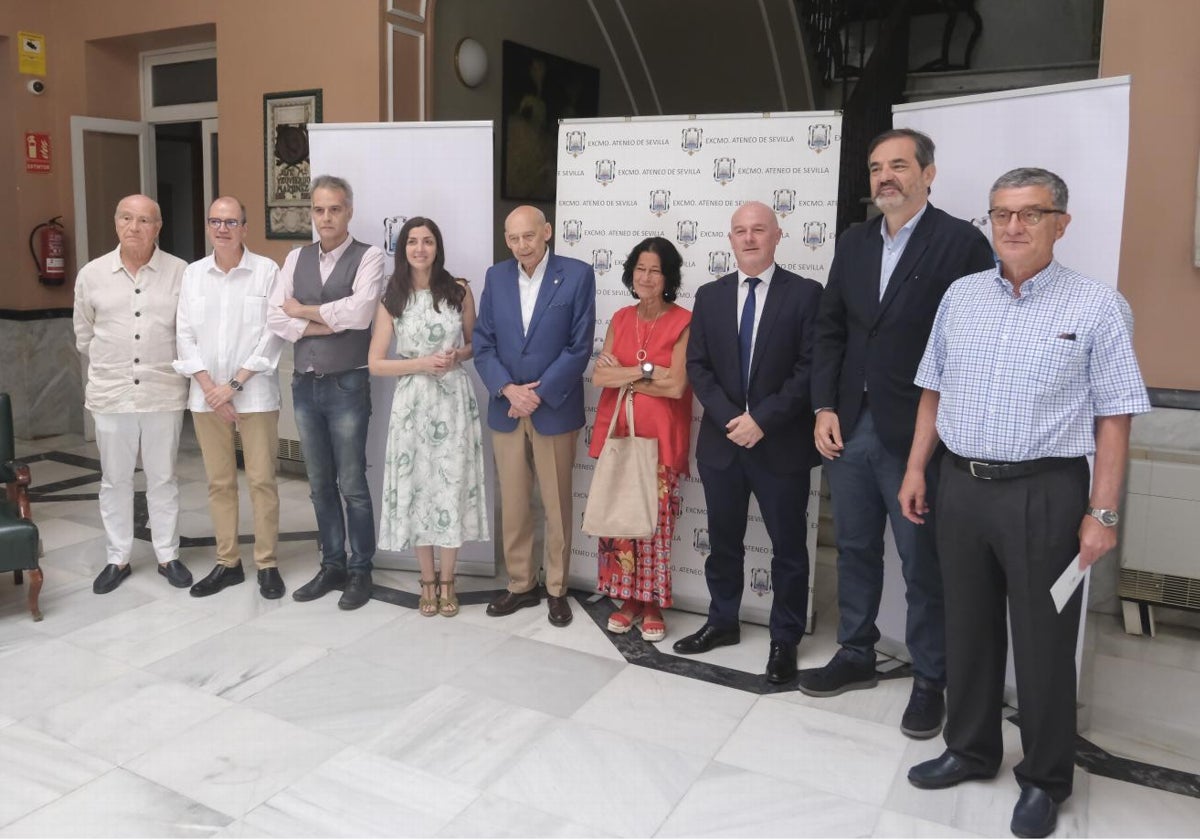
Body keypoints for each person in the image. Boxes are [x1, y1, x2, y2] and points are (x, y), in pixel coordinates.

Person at [900, 168, 1150, 838]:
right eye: (1001, 214)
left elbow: (1116, 417)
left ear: (1060, 223)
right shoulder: (960, 297)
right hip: (961, 486)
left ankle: (1044, 778)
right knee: (969, 629)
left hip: (1046, 492)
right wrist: (918, 469)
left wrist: (1103, 513)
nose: (1013, 227)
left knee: (1043, 644)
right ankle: (970, 748)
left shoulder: (1097, 306)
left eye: (1031, 214)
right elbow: (932, 389)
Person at [803, 128, 996, 738]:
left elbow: (970, 347)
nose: (885, 177)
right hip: (849, 428)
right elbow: (830, 328)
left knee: (923, 565)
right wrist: (823, 407)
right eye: (876, 167)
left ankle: (931, 680)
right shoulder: (854, 242)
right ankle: (856, 653)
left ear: (928, 174)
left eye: (899, 166)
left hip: (918, 435)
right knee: (855, 549)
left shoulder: (962, 244)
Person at [677, 201, 823, 684]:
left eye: (759, 229)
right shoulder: (710, 295)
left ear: (778, 234)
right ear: (730, 238)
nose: (749, 238)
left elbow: (809, 369)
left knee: (788, 549)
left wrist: (761, 420)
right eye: (740, 230)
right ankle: (722, 621)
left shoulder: (805, 294)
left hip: (780, 445)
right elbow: (697, 365)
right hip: (723, 446)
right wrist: (729, 418)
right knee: (723, 542)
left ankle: (785, 638)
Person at [472, 205, 596, 627]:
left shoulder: (577, 275)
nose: (521, 245)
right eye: (513, 238)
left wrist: (536, 395)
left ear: (546, 232)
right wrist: (507, 388)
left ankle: (557, 588)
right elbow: (483, 342)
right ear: (506, 240)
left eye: (528, 235)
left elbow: (579, 347)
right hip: (506, 406)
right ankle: (521, 583)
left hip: (554, 408)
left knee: (558, 502)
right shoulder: (496, 277)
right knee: (515, 501)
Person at [267, 175, 385, 610]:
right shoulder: (295, 258)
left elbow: (360, 313)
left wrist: (303, 311)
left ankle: (360, 569)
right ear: (311, 213)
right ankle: (332, 563)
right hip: (304, 383)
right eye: (319, 209)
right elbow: (276, 318)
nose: (326, 217)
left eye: (335, 208)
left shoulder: (370, 256)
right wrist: (318, 320)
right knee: (318, 484)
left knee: (351, 482)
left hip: (347, 383)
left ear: (349, 211)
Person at [367, 217, 489, 617]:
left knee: (450, 485)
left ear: (438, 247)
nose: (420, 249)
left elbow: (475, 344)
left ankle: (449, 579)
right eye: (413, 242)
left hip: (453, 398)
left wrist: (456, 355)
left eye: (428, 241)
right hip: (413, 403)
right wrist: (419, 363)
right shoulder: (393, 296)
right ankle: (426, 580)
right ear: (402, 249)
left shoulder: (459, 290)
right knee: (418, 487)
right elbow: (376, 364)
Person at [73, 194, 193, 594]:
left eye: (144, 220)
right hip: (111, 393)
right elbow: (84, 336)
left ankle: (167, 554)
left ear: (158, 227)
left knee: (163, 478)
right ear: (115, 223)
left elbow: (187, 331)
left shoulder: (180, 273)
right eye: (126, 218)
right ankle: (117, 557)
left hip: (163, 392)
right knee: (115, 480)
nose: (134, 227)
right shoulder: (91, 274)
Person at [174, 197, 285, 600]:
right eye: (215, 221)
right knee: (219, 482)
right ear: (208, 227)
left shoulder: (266, 272)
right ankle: (228, 563)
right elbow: (183, 333)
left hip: (254, 395)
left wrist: (233, 386)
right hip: (206, 399)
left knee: (261, 480)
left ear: (245, 228)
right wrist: (210, 388)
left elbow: (273, 334)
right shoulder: (193, 274)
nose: (222, 228)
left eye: (231, 221)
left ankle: (267, 563)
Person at [589, 237, 692, 641]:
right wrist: (648, 370)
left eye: (655, 270)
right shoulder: (619, 317)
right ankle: (626, 601)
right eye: (640, 269)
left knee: (653, 524)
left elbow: (677, 386)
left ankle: (651, 604)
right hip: (619, 438)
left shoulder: (684, 321)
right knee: (619, 526)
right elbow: (600, 377)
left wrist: (628, 371)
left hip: (661, 442)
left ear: (668, 277)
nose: (646, 277)